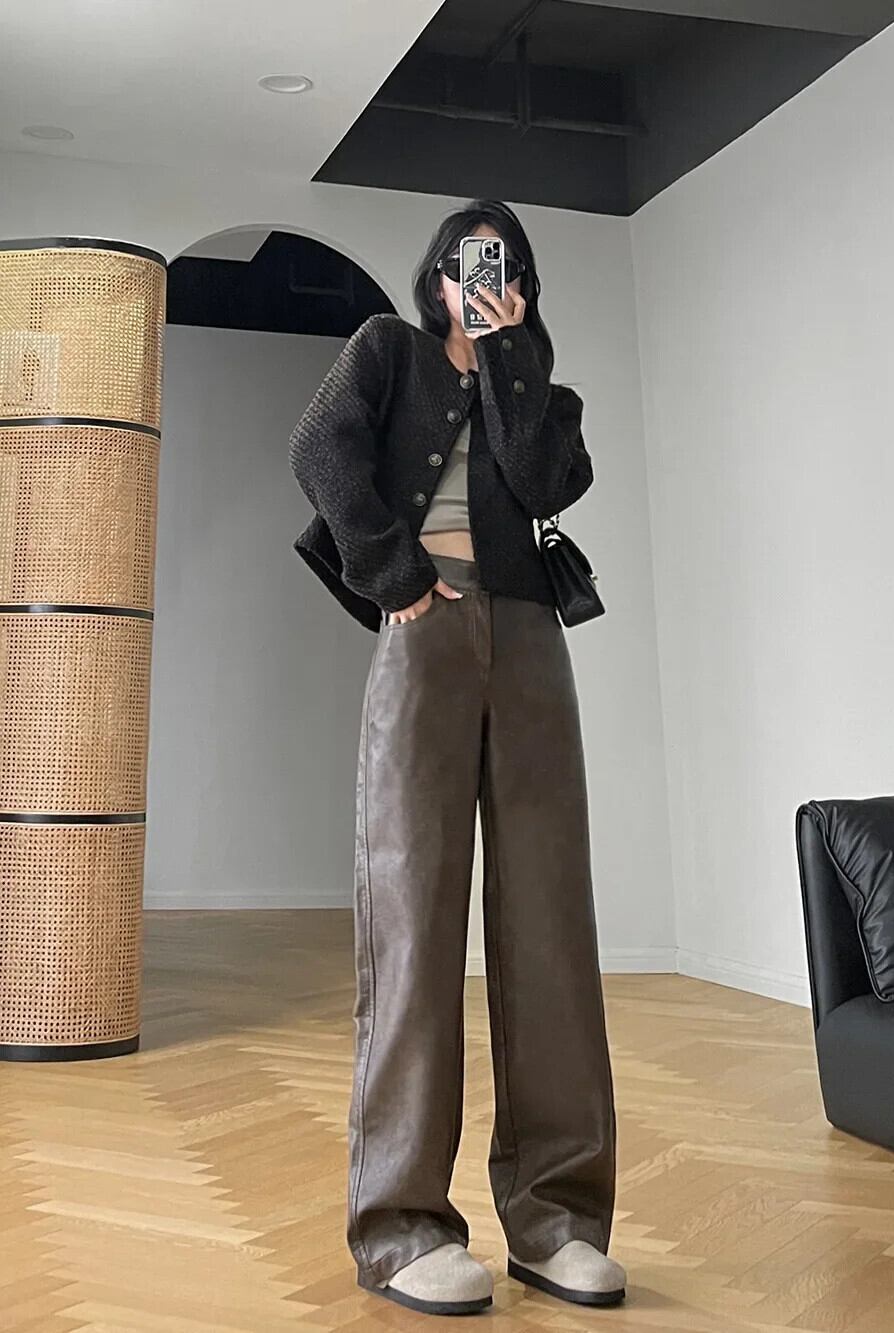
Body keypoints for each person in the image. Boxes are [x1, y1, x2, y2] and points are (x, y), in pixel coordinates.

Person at [288, 199, 625, 1317]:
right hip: (424, 639)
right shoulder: (384, 350)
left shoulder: (542, 387)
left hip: (530, 647)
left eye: (504, 264)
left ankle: (559, 1219)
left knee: (550, 925)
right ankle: (401, 1226)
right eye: (467, 263)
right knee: (412, 917)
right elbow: (319, 449)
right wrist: (391, 573)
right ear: (434, 275)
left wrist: (511, 351)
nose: (482, 278)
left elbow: (544, 480)